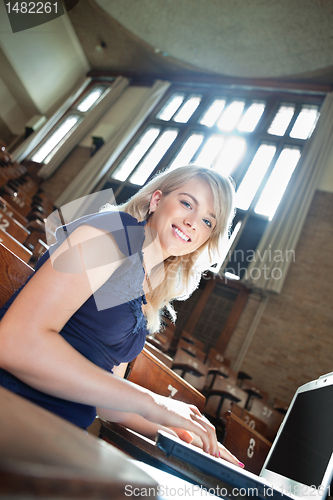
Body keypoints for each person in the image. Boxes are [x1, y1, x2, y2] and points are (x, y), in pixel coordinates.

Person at [0, 165, 242, 466]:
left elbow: (107, 403)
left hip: (59, 436)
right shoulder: (112, 233)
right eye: (187, 203)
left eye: (207, 221)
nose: (194, 222)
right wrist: (153, 402)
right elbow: (13, 342)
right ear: (155, 200)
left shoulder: (148, 287)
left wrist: (191, 439)